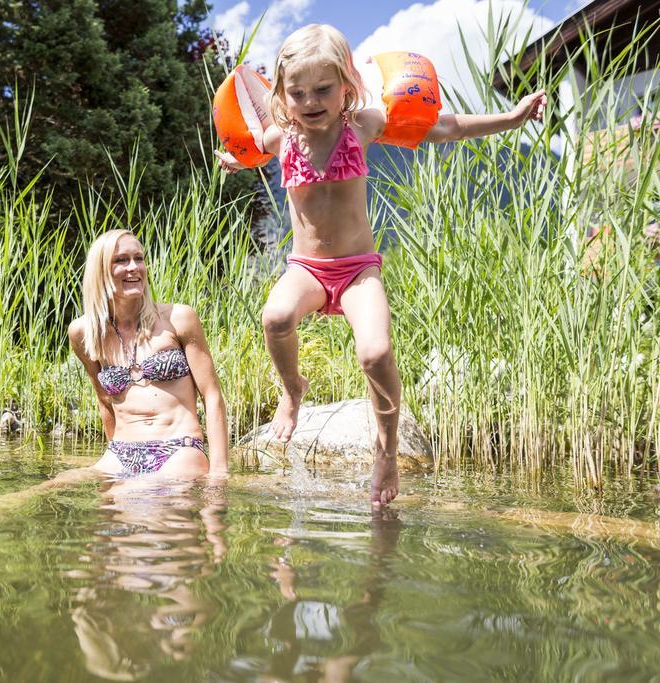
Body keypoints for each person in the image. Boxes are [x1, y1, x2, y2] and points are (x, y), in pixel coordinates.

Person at [214, 24, 546, 508]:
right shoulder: (280, 136)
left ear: (346, 85)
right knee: (275, 317)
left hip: (357, 269)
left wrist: (510, 120)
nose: (311, 101)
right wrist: (235, 161)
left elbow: (444, 127)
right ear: (282, 94)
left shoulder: (362, 125)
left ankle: (386, 450)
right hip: (306, 267)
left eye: (323, 89)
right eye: (298, 91)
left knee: (374, 353)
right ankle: (293, 390)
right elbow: (253, 152)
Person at [68, 228, 229, 478]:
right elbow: (104, 401)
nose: (134, 267)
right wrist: (115, 463)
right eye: (122, 260)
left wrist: (219, 473)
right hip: (121, 452)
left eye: (139, 258)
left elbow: (212, 394)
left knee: (148, 498)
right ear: (100, 271)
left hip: (178, 449)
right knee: (48, 489)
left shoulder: (178, 318)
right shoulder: (84, 332)